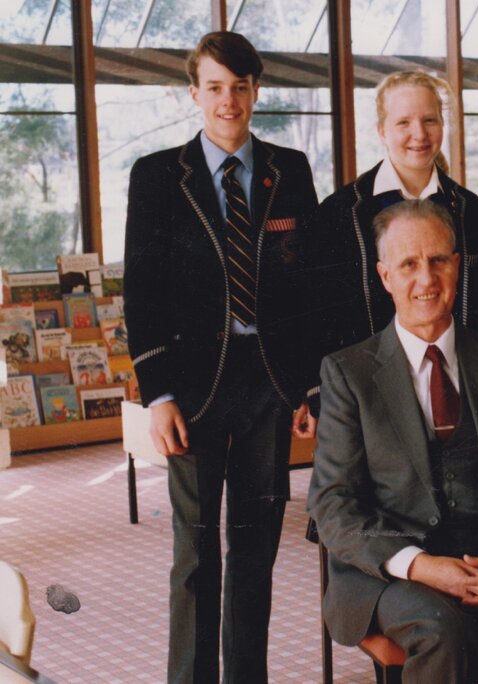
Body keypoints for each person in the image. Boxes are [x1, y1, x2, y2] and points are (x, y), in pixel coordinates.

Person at [307, 200, 478, 684]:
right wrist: (422, 566)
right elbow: (332, 504)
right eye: (409, 264)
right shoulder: (348, 373)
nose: (427, 279)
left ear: (457, 265)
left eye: (438, 260)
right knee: (446, 632)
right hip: (395, 574)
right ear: (384, 277)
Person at [123, 31, 319, 683]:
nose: (228, 100)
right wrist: (158, 393)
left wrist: (310, 388)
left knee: (257, 547)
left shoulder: (290, 172)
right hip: (192, 388)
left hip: (268, 383)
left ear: (256, 90)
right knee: (196, 549)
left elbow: (309, 284)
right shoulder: (156, 177)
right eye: (215, 87)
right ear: (194, 93)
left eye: (240, 86)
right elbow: (142, 291)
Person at [308, 70, 478, 359]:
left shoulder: (468, 207)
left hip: (454, 371)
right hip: (368, 382)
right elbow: (324, 311)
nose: (419, 134)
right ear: (382, 130)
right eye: (404, 122)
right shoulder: (340, 211)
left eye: (430, 120)